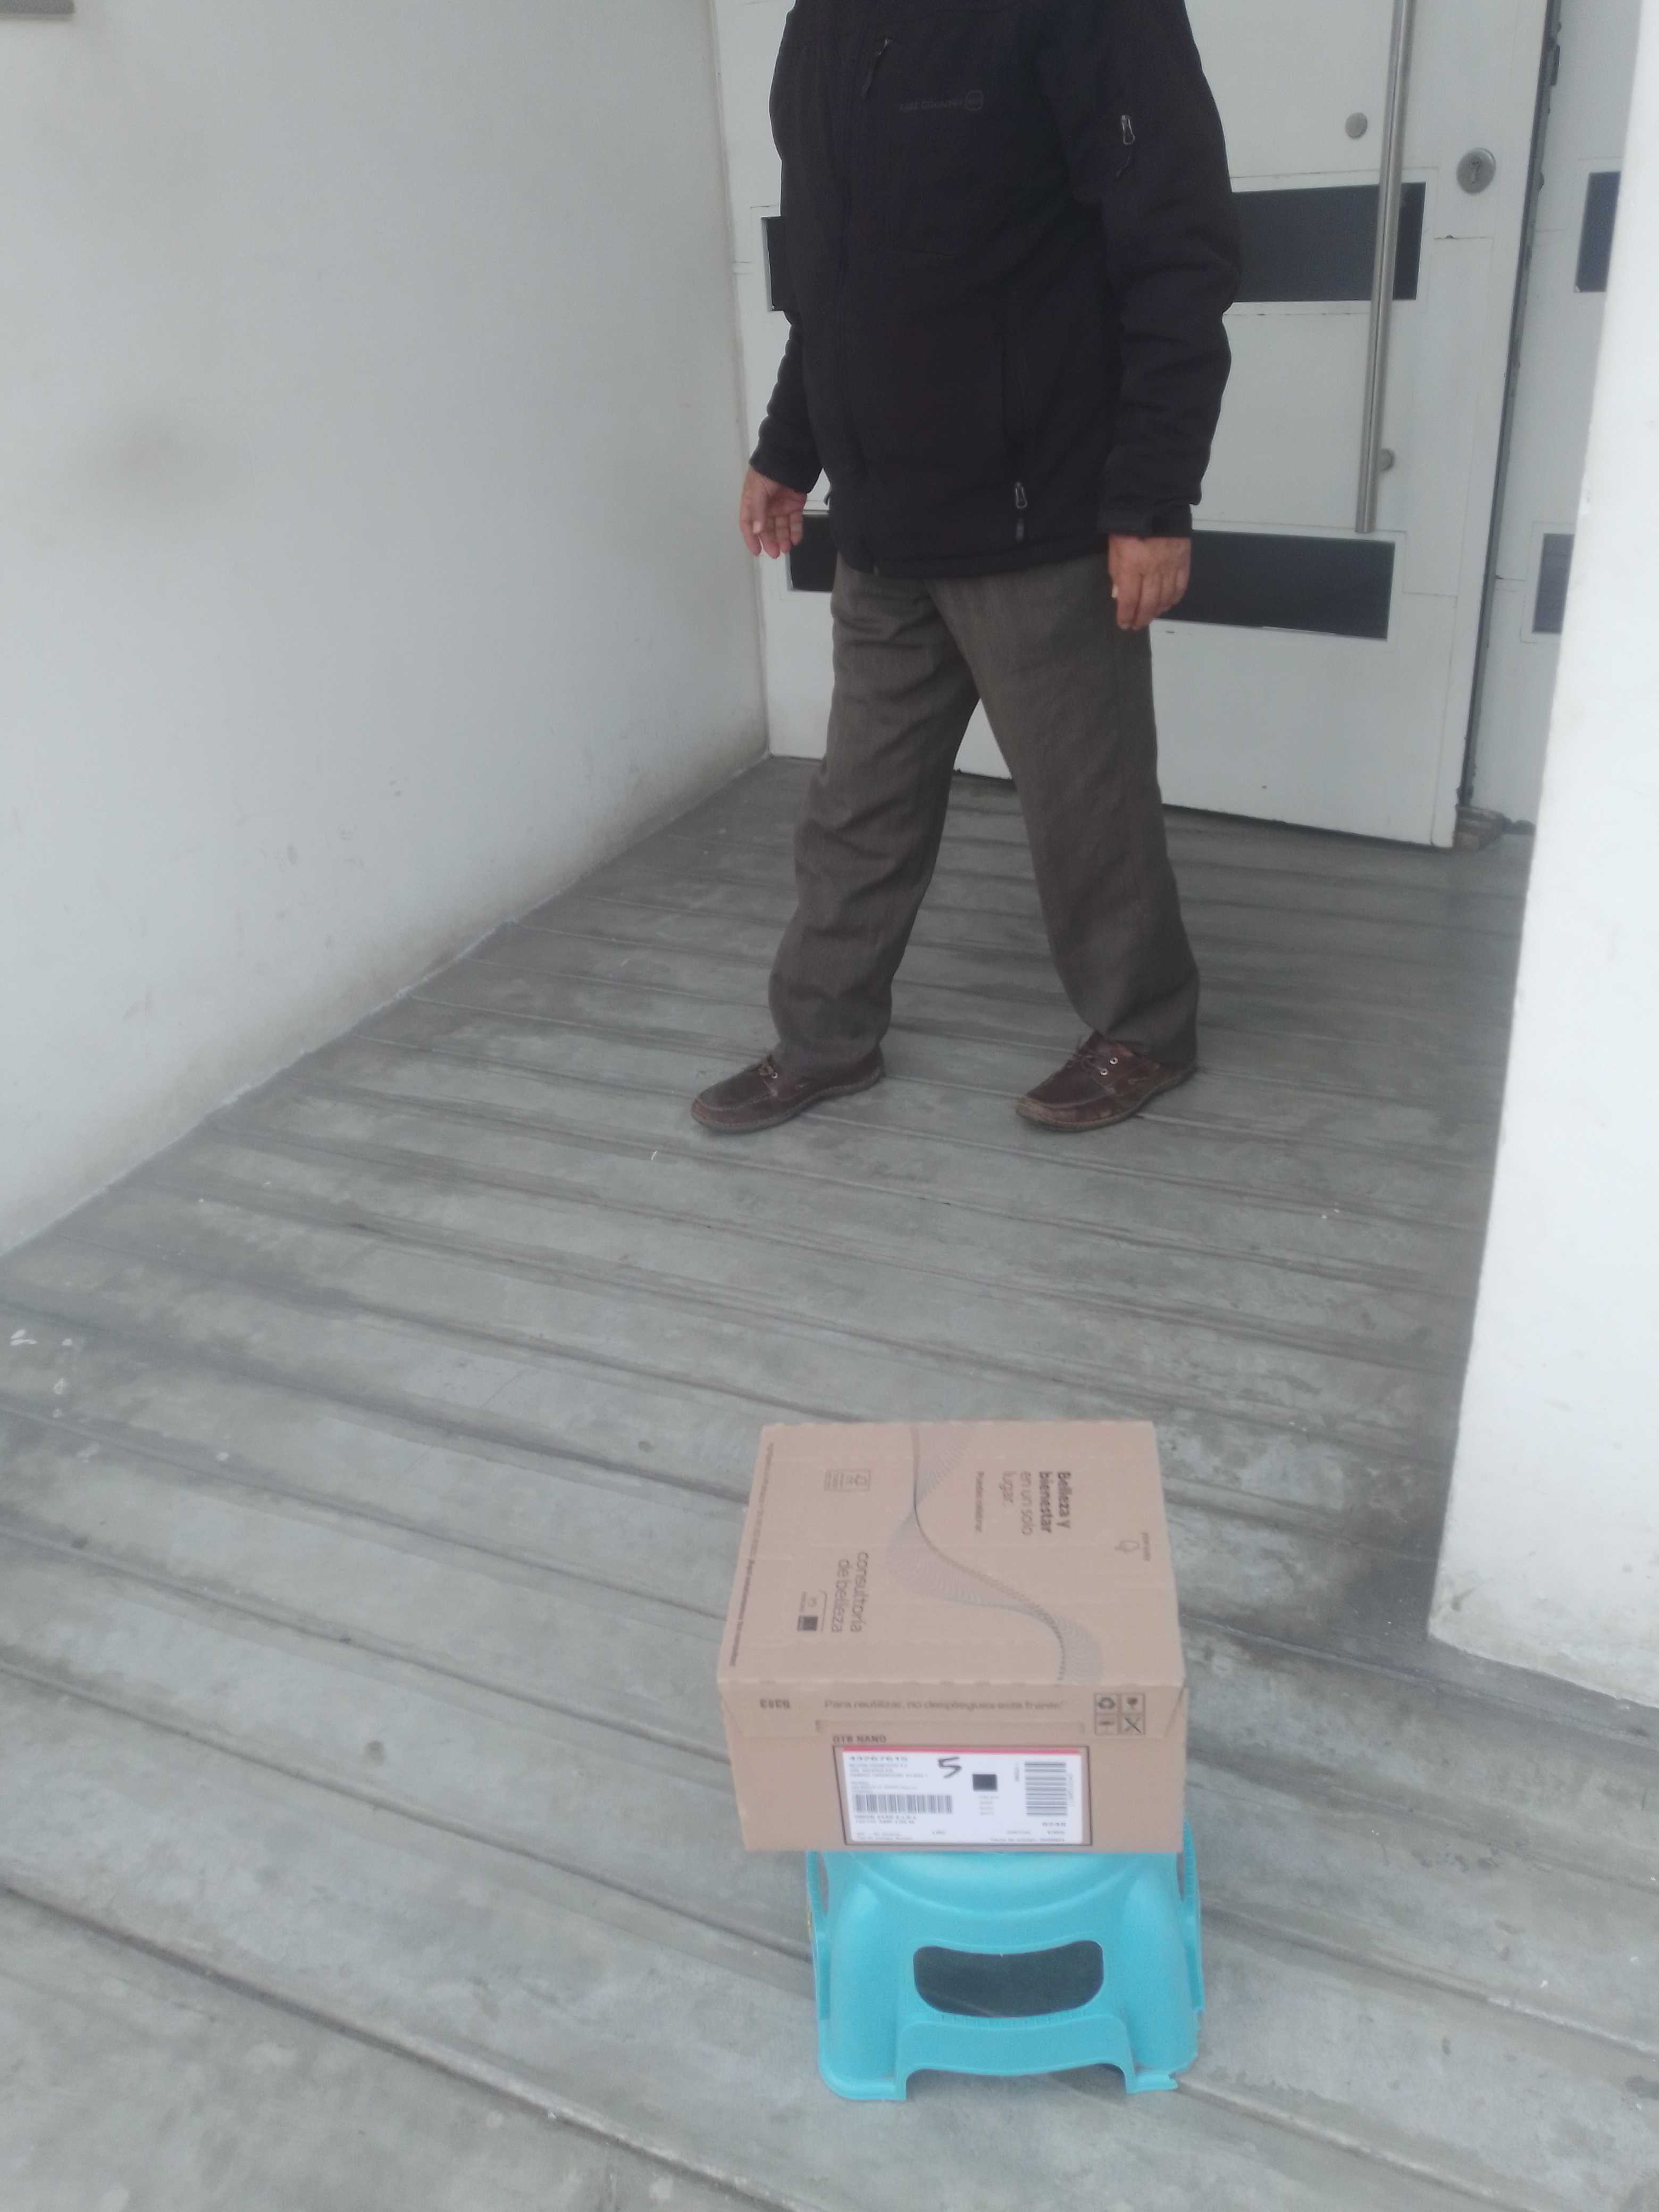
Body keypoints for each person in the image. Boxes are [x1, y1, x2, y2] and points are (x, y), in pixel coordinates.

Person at [692, 0, 1241, 1136]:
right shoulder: (822, 24)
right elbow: (829, 273)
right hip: (885, 520)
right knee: (857, 807)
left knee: (1086, 811)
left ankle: (1146, 1027)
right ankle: (824, 1041)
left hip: (1041, 510)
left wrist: (1152, 499)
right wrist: (789, 447)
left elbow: (1176, 248)